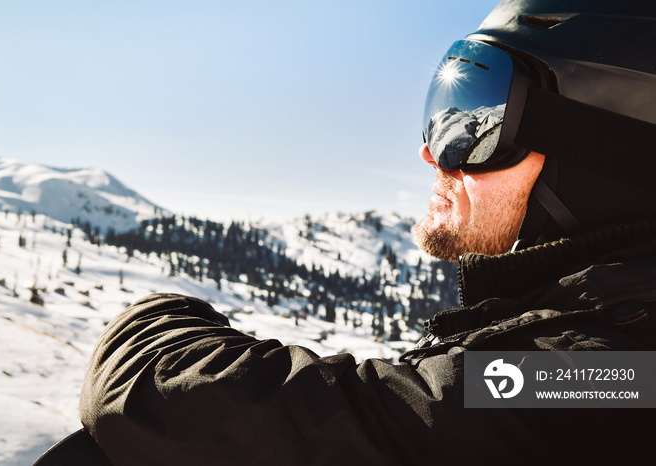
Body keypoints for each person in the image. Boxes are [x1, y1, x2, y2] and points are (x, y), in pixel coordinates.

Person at [79, 1, 656, 464]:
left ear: (599, 159)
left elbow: (192, 410)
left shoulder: (613, 375)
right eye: (443, 111)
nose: (432, 152)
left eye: (477, 122)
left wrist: (155, 318)